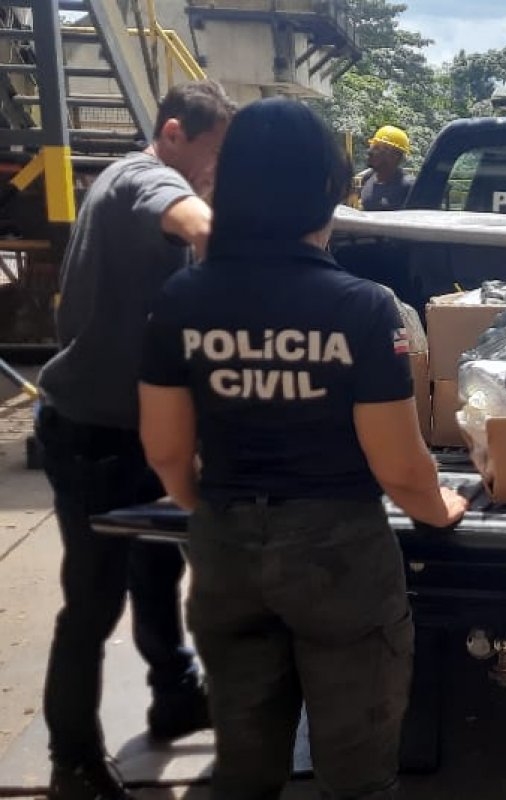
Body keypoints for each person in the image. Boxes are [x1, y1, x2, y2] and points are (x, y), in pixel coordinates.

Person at [137, 97, 468, 799]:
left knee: (246, 770)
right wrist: (443, 506)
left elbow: (165, 451)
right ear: (330, 188)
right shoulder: (362, 307)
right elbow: (401, 470)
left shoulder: (181, 299)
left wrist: (222, 512)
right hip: (339, 558)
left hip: (226, 551)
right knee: (356, 774)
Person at [34, 79, 236, 800]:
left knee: (157, 571)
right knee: (91, 600)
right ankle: (73, 761)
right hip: (94, 429)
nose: (210, 175)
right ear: (174, 132)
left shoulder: (138, 181)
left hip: (143, 427)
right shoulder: (141, 176)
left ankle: (175, 693)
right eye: (209, 159)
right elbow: (204, 228)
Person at [358, 124, 415, 210]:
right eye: (372, 146)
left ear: (395, 156)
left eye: (377, 148)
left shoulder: (409, 186)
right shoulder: (367, 178)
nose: (370, 151)